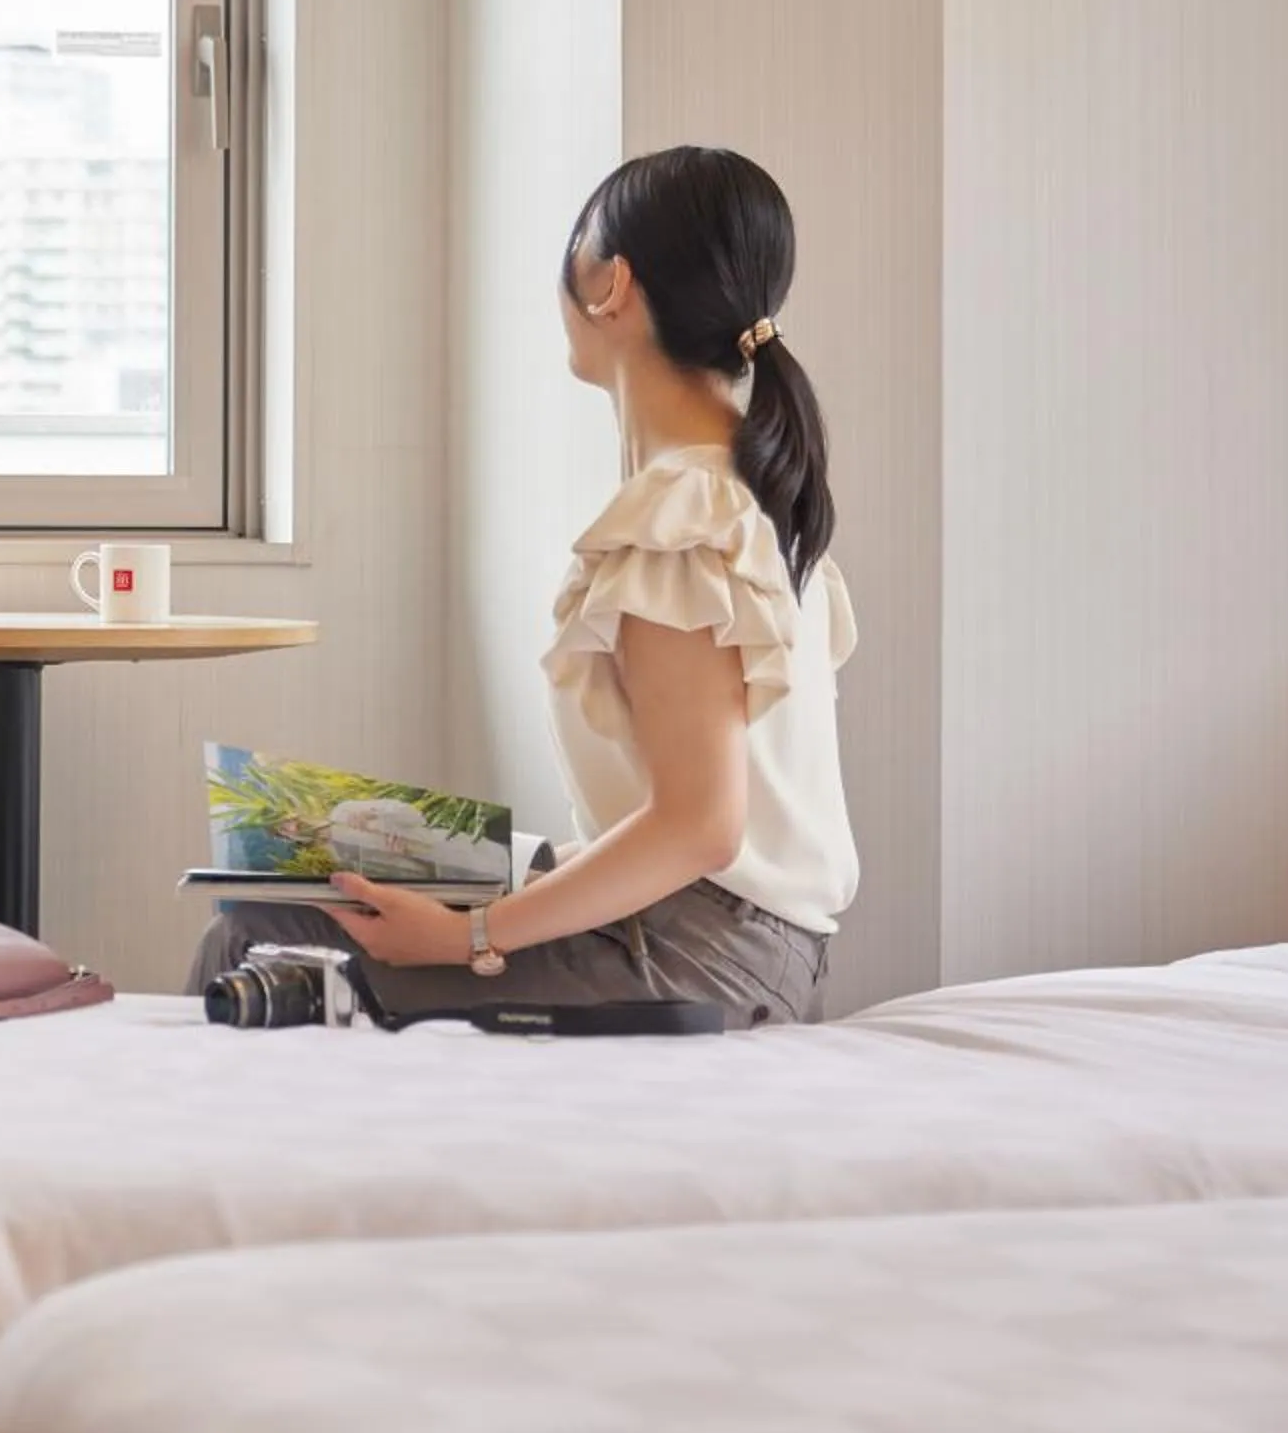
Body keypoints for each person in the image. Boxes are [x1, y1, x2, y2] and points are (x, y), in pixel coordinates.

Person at [189, 146, 857, 1027]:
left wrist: (470, 935)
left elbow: (702, 828)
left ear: (609, 283)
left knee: (255, 937)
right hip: (728, 941)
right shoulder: (739, 493)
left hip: (706, 958)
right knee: (298, 883)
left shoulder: (687, 516)